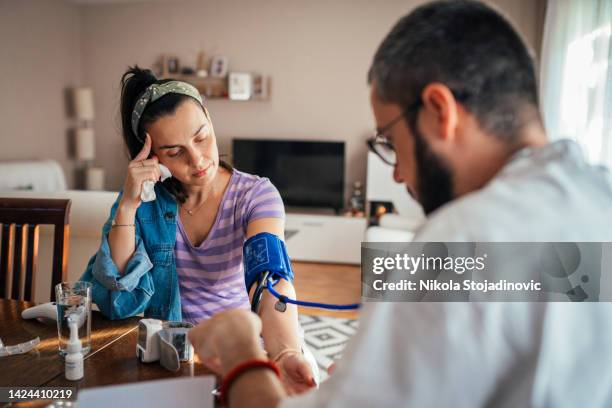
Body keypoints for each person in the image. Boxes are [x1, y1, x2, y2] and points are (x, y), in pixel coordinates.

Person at [187, 1, 612, 407]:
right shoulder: (597, 200)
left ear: (439, 110)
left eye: (389, 141)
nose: (397, 174)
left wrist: (241, 351)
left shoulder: (460, 241)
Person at [80, 67, 317, 394]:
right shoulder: (145, 200)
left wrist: (286, 352)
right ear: (150, 155)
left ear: (209, 116)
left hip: (244, 346)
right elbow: (118, 298)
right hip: (174, 354)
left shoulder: (255, 195)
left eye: (201, 137)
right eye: (175, 152)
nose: (198, 160)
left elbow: (270, 278)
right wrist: (127, 206)